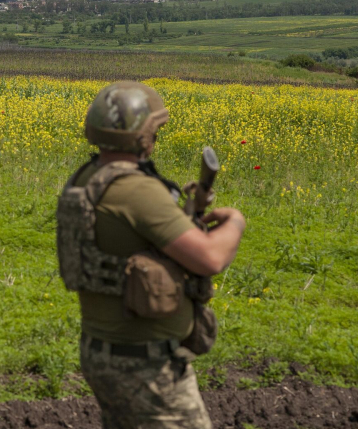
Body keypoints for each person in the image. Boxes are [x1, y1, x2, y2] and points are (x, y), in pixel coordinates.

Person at [56, 81, 246, 429]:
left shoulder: (88, 178)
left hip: (102, 350)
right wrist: (234, 223)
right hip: (145, 366)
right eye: (155, 131)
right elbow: (209, 259)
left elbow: (130, 241)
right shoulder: (136, 190)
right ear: (142, 136)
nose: (156, 138)